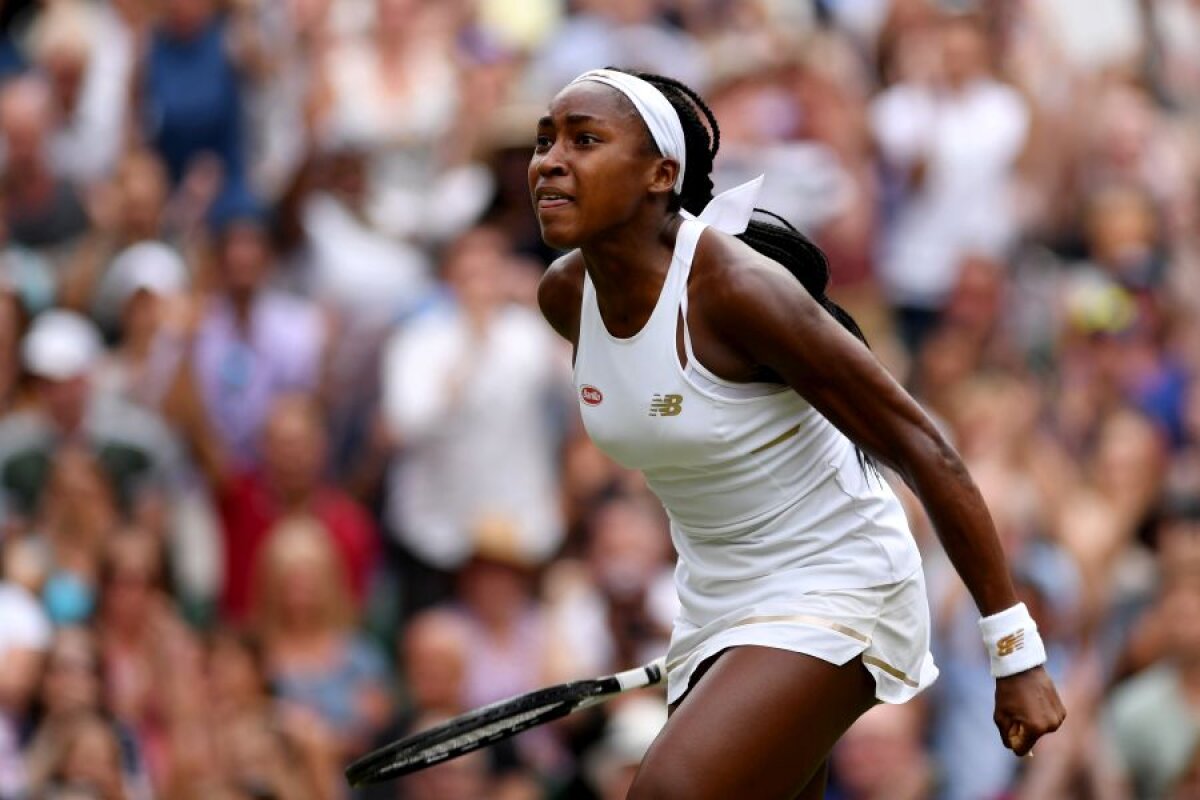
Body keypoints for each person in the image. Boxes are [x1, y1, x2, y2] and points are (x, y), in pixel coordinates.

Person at [530, 67, 1066, 798]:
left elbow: (923, 447)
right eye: (545, 140)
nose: (550, 160)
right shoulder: (564, 296)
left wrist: (1015, 651)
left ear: (661, 174)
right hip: (715, 599)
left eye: (584, 140)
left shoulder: (734, 291)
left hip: (841, 581)